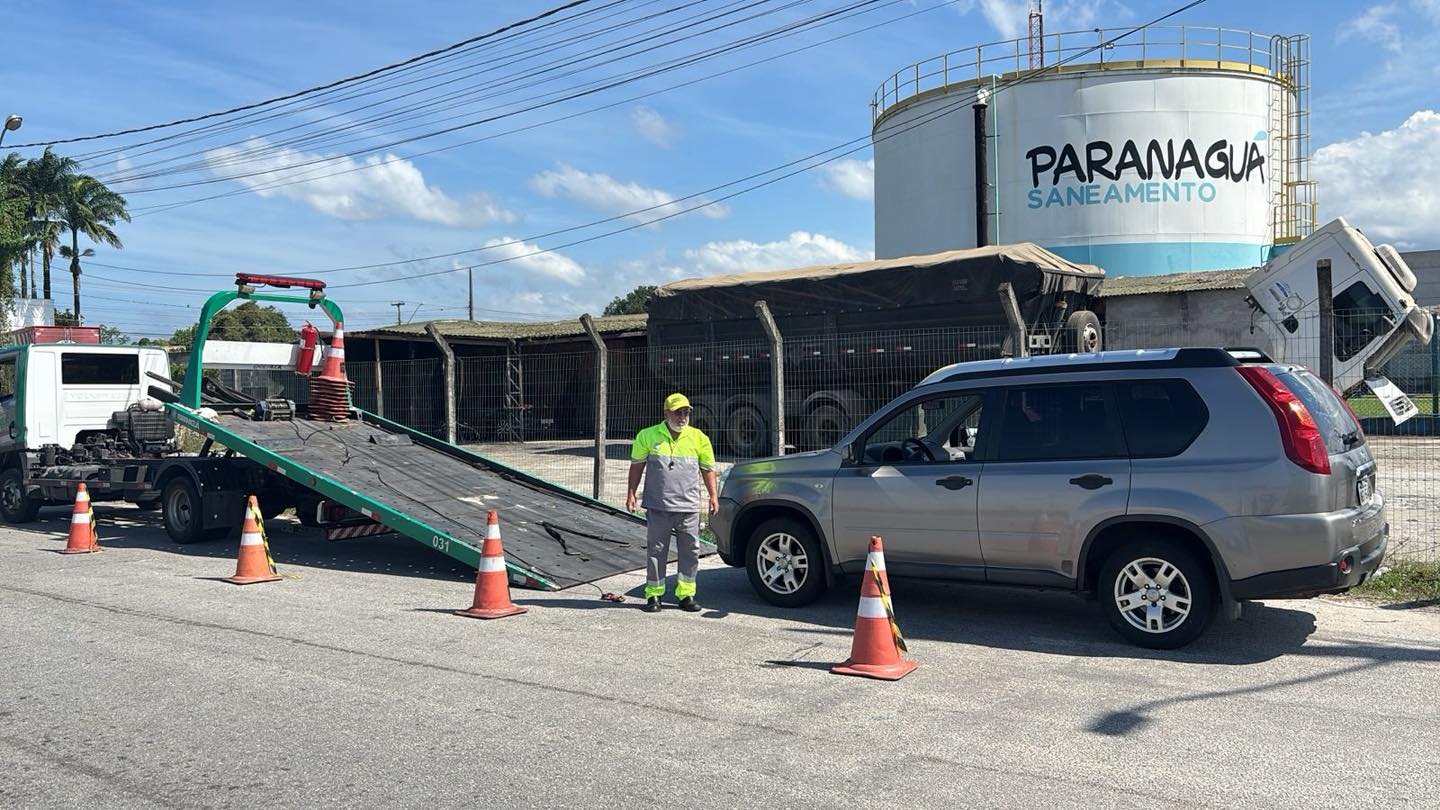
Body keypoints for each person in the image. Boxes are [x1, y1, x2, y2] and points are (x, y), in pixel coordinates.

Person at [626, 393, 718, 613]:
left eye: (686, 412)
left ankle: (686, 595)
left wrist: (713, 496)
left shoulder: (699, 438)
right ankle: (654, 595)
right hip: (659, 506)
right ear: (666, 413)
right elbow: (637, 466)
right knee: (657, 550)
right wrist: (631, 494)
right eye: (678, 412)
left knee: (690, 551)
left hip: (688, 506)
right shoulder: (647, 436)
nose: (683, 416)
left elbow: (708, 469)